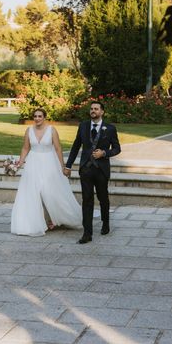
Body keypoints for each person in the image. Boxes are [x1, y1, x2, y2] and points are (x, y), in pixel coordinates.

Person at [10, 108, 82, 236]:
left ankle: (54, 218)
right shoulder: (29, 130)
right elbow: (25, 148)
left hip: (49, 162)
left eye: (40, 116)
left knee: (50, 191)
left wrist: (63, 166)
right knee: (33, 192)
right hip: (33, 163)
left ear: (44, 117)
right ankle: (36, 221)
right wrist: (20, 162)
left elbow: (58, 149)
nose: (37, 118)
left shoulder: (52, 130)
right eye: (35, 116)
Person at [64, 101, 121, 244]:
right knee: (87, 200)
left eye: (96, 109)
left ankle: (105, 222)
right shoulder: (83, 126)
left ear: (102, 112)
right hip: (86, 169)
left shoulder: (110, 128)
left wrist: (104, 153)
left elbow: (117, 148)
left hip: (101, 170)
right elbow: (76, 146)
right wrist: (68, 165)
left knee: (103, 198)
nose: (93, 111)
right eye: (91, 109)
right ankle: (87, 233)